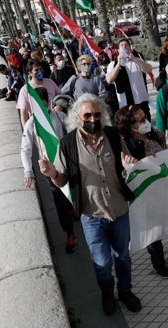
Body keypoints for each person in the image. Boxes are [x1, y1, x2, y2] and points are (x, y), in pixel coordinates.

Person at [38, 94, 142, 315]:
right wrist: (51, 173)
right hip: (91, 216)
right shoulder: (67, 145)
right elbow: (62, 180)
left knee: (122, 256)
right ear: (77, 118)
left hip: (120, 210)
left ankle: (125, 291)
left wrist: (129, 165)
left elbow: (126, 165)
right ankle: (107, 294)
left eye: (96, 114)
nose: (93, 119)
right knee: (102, 264)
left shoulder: (113, 136)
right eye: (87, 115)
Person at [113, 105, 168, 278]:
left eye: (144, 118)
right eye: (139, 121)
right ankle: (158, 263)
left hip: (161, 185)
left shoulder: (152, 133)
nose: (144, 122)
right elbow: (125, 171)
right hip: (144, 191)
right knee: (152, 229)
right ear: (129, 124)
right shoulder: (125, 144)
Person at [20, 87, 77, 253]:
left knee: (73, 191)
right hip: (50, 169)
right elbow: (25, 149)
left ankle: (73, 207)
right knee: (59, 201)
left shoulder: (60, 116)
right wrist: (28, 170)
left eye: (44, 106)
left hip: (68, 162)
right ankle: (70, 233)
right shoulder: (31, 124)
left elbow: (74, 134)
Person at [105, 39, 154, 122]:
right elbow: (109, 80)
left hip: (140, 101)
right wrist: (118, 64)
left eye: (126, 45)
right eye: (121, 45)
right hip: (125, 104)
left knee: (145, 126)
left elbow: (149, 69)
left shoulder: (137, 60)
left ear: (130, 49)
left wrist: (135, 59)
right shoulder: (113, 64)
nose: (124, 46)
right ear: (118, 50)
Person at [16, 59, 61, 129]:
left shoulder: (50, 82)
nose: (40, 71)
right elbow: (24, 114)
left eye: (41, 69)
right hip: (39, 126)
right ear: (30, 73)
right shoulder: (25, 90)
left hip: (54, 121)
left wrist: (58, 105)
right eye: (36, 70)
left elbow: (60, 96)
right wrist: (27, 133)